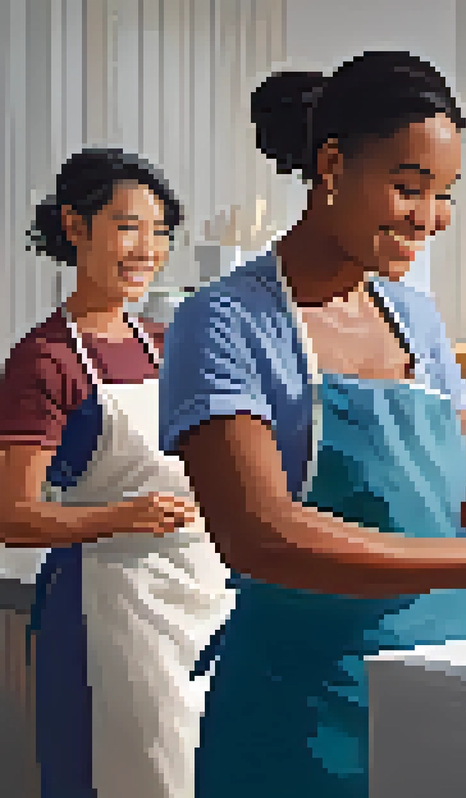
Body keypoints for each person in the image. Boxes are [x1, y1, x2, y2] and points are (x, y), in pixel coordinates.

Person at [157, 51, 466, 798]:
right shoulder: (225, 323)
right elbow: (259, 532)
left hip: (453, 689)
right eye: (408, 187)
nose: (429, 218)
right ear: (331, 165)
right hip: (303, 712)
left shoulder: (415, 319)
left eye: (445, 194)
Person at [0, 148, 234, 798]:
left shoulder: (167, 342)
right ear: (75, 227)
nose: (148, 249)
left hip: (204, 598)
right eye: (128, 227)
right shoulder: (45, 361)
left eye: (160, 232)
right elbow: (11, 516)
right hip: (110, 610)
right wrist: (121, 517)